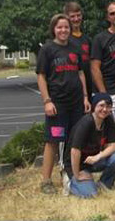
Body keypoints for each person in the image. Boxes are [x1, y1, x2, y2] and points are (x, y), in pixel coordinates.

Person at [36, 14, 91, 194]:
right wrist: (47, 101)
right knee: (53, 141)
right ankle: (46, 181)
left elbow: (81, 73)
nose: (63, 30)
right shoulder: (47, 49)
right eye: (59, 27)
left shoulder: (75, 48)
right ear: (54, 29)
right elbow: (41, 76)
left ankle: (69, 173)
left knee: (73, 140)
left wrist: (85, 97)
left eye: (66, 27)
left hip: (76, 103)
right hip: (57, 105)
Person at [64, 93, 115, 198]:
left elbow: (113, 146)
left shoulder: (108, 120)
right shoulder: (86, 122)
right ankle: (70, 182)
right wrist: (77, 174)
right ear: (94, 106)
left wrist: (98, 156)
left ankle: (104, 184)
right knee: (91, 195)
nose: (105, 109)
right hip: (78, 164)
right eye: (101, 105)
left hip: (93, 160)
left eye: (108, 106)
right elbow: (74, 151)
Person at [63, 1, 93, 100]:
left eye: (78, 15)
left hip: (88, 88)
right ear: (66, 17)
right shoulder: (64, 40)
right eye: (72, 16)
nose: (76, 19)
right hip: (71, 89)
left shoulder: (87, 39)